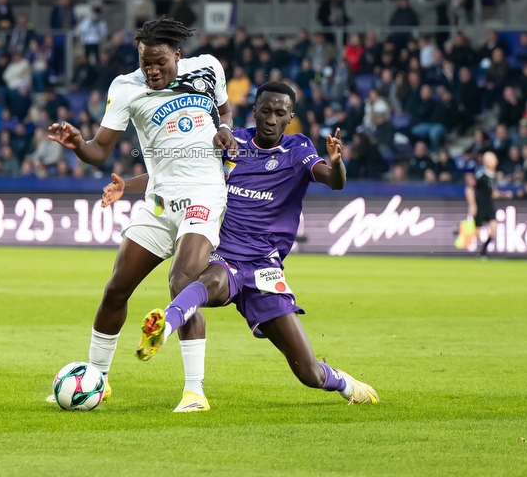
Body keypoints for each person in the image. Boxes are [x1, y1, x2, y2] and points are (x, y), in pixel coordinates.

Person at [119, 82, 379, 407]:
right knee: (208, 279)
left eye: (280, 113)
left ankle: (341, 382)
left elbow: (333, 180)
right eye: (266, 111)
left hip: (265, 270)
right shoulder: (232, 142)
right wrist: (126, 186)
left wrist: (338, 163)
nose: (271, 119)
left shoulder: (297, 151)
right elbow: (180, 175)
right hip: (225, 257)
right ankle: (164, 325)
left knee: (308, 373)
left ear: (290, 118)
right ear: (254, 111)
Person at [46, 16, 236, 412]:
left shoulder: (208, 67)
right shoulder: (126, 87)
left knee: (183, 280)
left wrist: (227, 130)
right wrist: (79, 144)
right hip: (158, 202)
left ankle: (194, 391)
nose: (152, 70)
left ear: (177, 56)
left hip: (204, 194)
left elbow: (225, 110)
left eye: (159, 63)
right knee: (117, 287)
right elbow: (100, 150)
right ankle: (97, 379)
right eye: (146, 63)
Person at [466, 151, 514, 259]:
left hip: (489, 205)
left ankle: (483, 252)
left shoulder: (494, 176)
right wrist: (472, 205)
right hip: (480, 205)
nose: (495, 160)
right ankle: (459, 229)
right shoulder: (481, 175)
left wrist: (504, 195)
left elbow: (493, 193)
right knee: (476, 233)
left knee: (493, 229)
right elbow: (469, 188)